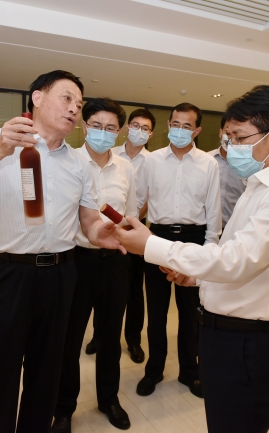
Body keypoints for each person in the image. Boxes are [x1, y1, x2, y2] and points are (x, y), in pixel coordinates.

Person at [115, 85, 269, 433]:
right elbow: (238, 254)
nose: (230, 146)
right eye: (229, 137)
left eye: (239, 138)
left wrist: (150, 245)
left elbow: (237, 260)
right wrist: (197, 277)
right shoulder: (258, 185)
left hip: (249, 341)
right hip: (226, 334)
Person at [0, 71, 123, 433]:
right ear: (37, 98)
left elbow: (88, 220)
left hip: (60, 276)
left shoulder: (78, 163)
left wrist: (103, 234)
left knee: (46, 372)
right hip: (6, 275)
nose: (75, 108)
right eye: (67, 98)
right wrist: (0, 150)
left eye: (79, 104)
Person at [51, 98, 137, 433]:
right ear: (84, 127)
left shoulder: (126, 168)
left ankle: (109, 399)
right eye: (97, 126)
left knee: (110, 337)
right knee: (69, 339)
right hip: (76, 260)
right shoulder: (67, 161)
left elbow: (131, 214)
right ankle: (63, 409)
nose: (103, 133)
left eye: (111, 128)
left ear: (120, 131)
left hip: (114, 262)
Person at [134, 102, 222, 398]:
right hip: (157, 238)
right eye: (175, 124)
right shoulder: (152, 161)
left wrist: (210, 248)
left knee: (190, 312)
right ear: (168, 125)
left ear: (197, 130)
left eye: (187, 126)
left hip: (193, 240)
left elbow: (213, 209)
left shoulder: (208, 164)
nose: (180, 130)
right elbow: (137, 201)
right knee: (156, 311)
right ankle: (154, 370)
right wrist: (133, 234)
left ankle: (189, 371)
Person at [112, 108, 155, 364]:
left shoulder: (152, 161)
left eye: (145, 128)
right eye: (136, 125)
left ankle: (133, 340)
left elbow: (150, 197)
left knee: (134, 290)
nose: (140, 131)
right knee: (106, 287)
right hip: (108, 229)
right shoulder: (111, 153)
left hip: (137, 230)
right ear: (128, 127)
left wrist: (133, 221)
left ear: (150, 134)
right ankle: (101, 336)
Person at [207, 116, 246, 229]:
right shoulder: (206, 160)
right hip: (206, 229)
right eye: (227, 132)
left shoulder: (249, 164)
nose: (231, 138)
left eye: (236, 133)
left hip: (235, 229)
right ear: (220, 132)